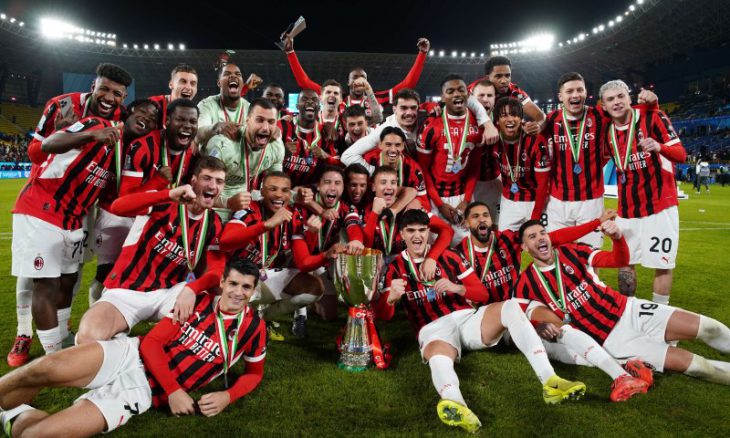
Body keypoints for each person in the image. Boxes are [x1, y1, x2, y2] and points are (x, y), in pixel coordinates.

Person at [0, 257, 266, 437]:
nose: (238, 292)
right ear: (222, 283)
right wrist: (174, 390)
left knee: (37, 435)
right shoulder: (196, 302)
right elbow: (151, 343)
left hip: (142, 390)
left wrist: (227, 396)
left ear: (253, 291)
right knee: (47, 367)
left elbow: (254, 373)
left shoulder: (254, 328)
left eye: (246, 287)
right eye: (233, 283)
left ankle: (12, 414)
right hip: (130, 354)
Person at [378, 210, 586, 433]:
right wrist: (390, 298)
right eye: (411, 231)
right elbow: (383, 315)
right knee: (438, 358)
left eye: (422, 230)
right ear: (402, 234)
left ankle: (550, 380)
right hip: (433, 329)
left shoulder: (450, 256)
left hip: (467, 319)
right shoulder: (395, 268)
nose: (417, 236)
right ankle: (456, 404)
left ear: (429, 232)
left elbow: (482, 294)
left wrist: (457, 287)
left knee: (511, 306)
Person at [457, 202, 651, 401]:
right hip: (492, 317)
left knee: (562, 328)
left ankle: (622, 373)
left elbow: (558, 237)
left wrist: (596, 222)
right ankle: (623, 366)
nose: (482, 219)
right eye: (475, 216)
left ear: (491, 220)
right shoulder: (459, 253)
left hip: (519, 303)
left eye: (485, 215)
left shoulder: (507, 240)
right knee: (551, 345)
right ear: (466, 223)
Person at [11, 88, 148, 357]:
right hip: (43, 208)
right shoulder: (93, 121)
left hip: (75, 217)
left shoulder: (127, 148)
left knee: (69, 278)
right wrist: (88, 135)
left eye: (117, 93)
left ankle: (62, 339)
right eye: (105, 89)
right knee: (43, 281)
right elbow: (43, 146)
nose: (145, 121)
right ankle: (38, 344)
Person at [516, 219, 730, 386]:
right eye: (532, 237)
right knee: (698, 367)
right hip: (612, 340)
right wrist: (540, 325)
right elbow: (520, 319)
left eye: (543, 233)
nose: (540, 238)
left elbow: (618, 260)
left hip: (630, 310)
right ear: (525, 247)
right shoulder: (526, 282)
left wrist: (618, 239)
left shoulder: (573, 251)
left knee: (709, 327)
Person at [75, 157, 229, 344]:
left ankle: (161, 349)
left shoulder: (214, 223)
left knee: (215, 311)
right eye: (207, 178)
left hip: (169, 293)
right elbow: (118, 207)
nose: (213, 186)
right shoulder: (166, 201)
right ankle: (130, 347)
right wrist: (167, 194)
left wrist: (192, 288)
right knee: (87, 338)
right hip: (127, 289)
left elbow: (217, 270)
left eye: (219, 181)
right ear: (194, 181)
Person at [85, 99, 199, 307]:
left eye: (192, 121)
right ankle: (96, 312)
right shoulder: (143, 146)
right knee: (107, 272)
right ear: (167, 121)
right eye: (181, 119)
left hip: (151, 217)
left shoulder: (189, 151)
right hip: (117, 216)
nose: (187, 126)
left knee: (152, 269)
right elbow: (125, 201)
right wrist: (157, 182)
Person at [219, 171, 344, 338]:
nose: (279, 195)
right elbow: (225, 241)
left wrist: (326, 254)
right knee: (229, 332)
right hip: (237, 279)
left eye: (285, 190)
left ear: (290, 195)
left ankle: (262, 318)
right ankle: (239, 315)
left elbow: (304, 264)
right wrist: (266, 225)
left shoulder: (293, 216)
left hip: (264, 277)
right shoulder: (249, 209)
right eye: (273, 189)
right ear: (262, 192)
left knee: (314, 287)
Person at [600, 80, 686, 303]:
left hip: (660, 205)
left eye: (621, 96)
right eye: (610, 99)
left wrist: (659, 147)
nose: (617, 102)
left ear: (629, 98)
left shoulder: (653, 117)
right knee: (625, 262)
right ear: (604, 105)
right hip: (627, 209)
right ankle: (628, 311)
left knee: (662, 264)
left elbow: (681, 154)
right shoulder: (606, 130)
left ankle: (660, 314)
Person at [418, 75, 484, 244]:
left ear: (468, 94)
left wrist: (466, 200)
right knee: (436, 248)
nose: (456, 94)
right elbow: (423, 169)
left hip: (463, 196)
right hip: (435, 198)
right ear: (442, 97)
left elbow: (475, 167)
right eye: (450, 91)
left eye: (461, 90)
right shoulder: (431, 125)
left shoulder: (478, 123)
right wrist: (439, 204)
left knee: (469, 248)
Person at [282, 35, 429, 108]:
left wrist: (422, 54)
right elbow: (305, 83)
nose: (359, 80)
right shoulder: (336, 98)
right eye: (355, 77)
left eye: (362, 77)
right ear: (348, 82)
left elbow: (408, 84)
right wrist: (290, 52)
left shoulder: (378, 98)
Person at [202, 98, 286, 221]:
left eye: (271, 122)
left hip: (245, 208)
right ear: (247, 121)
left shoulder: (276, 147)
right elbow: (200, 193)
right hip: (214, 209)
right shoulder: (223, 145)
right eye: (259, 120)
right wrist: (228, 203)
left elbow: (277, 187)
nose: (265, 128)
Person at [363, 166, 451, 260]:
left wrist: (431, 258)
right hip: (378, 262)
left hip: (407, 264)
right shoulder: (367, 211)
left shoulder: (411, 208)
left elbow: (447, 231)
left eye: (393, 182)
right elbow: (365, 248)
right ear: (373, 186)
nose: (389, 187)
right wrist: (374, 214)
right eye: (383, 182)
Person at [491, 97, 551, 232]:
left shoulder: (535, 140)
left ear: (521, 119)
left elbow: (543, 185)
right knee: (505, 242)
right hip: (509, 202)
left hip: (536, 201)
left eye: (515, 115)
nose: (510, 119)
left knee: (540, 242)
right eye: (504, 115)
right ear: (497, 120)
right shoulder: (493, 139)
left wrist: (536, 216)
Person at [469, 56, 545, 135]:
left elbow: (540, 115)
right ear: (488, 77)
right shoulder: (473, 90)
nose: (504, 81)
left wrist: (538, 126)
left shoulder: (515, 93)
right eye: (498, 76)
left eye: (507, 75)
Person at [279, 89, 339, 187]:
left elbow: (339, 166)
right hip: (281, 188)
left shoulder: (326, 132)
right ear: (297, 106)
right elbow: (265, 157)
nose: (310, 102)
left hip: (309, 191)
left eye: (314, 100)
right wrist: (282, 153)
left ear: (319, 107)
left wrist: (326, 156)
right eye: (305, 99)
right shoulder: (282, 126)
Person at [360, 126, 429, 209]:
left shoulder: (413, 169)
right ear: (380, 144)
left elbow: (423, 200)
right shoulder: (368, 160)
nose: (393, 150)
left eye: (397, 145)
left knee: (415, 204)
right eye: (388, 145)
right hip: (371, 206)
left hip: (401, 209)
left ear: (403, 146)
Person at [196, 63, 252, 147]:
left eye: (238, 74)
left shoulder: (250, 108)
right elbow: (198, 134)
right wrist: (216, 128)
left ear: (242, 83)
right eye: (227, 74)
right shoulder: (206, 104)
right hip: (213, 155)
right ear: (219, 83)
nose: (233, 76)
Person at [470, 80, 502, 223]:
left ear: (495, 98)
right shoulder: (462, 121)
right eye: (481, 95)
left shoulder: (502, 121)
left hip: (495, 182)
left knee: (495, 225)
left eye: (489, 95)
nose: (485, 99)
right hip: (468, 185)